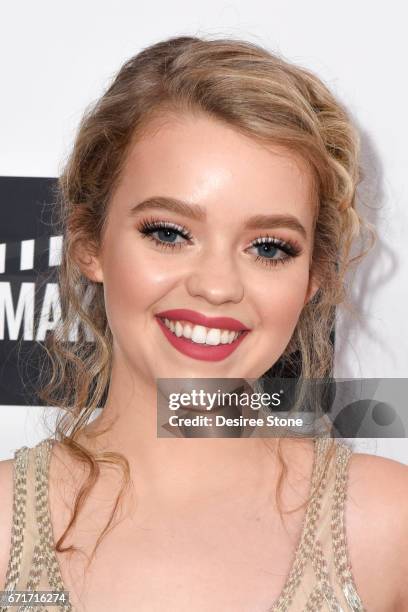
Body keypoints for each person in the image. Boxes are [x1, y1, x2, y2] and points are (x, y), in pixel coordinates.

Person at [0, 35, 407, 612]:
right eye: (168, 232)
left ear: (313, 276)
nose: (217, 286)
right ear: (89, 242)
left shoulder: (387, 526)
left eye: (268, 247)